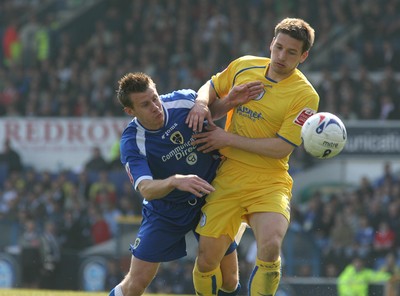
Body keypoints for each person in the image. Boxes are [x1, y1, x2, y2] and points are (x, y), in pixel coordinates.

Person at [186, 17, 320, 295]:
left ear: (304, 56)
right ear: (271, 42)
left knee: (270, 246)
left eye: (291, 52)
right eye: (278, 47)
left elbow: (282, 147)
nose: (281, 56)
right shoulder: (245, 65)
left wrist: (226, 138)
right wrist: (200, 103)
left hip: (269, 181)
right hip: (228, 175)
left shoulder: (305, 94)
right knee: (206, 260)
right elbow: (211, 85)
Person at [108, 72, 258, 296]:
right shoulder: (132, 142)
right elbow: (146, 188)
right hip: (166, 211)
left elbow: (210, 113)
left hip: (212, 199)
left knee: (229, 280)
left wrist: (229, 102)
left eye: (155, 98)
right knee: (134, 285)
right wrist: (175, 181)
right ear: (130, 111)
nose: (155, 107)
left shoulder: (184, 101)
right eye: (145, 104)